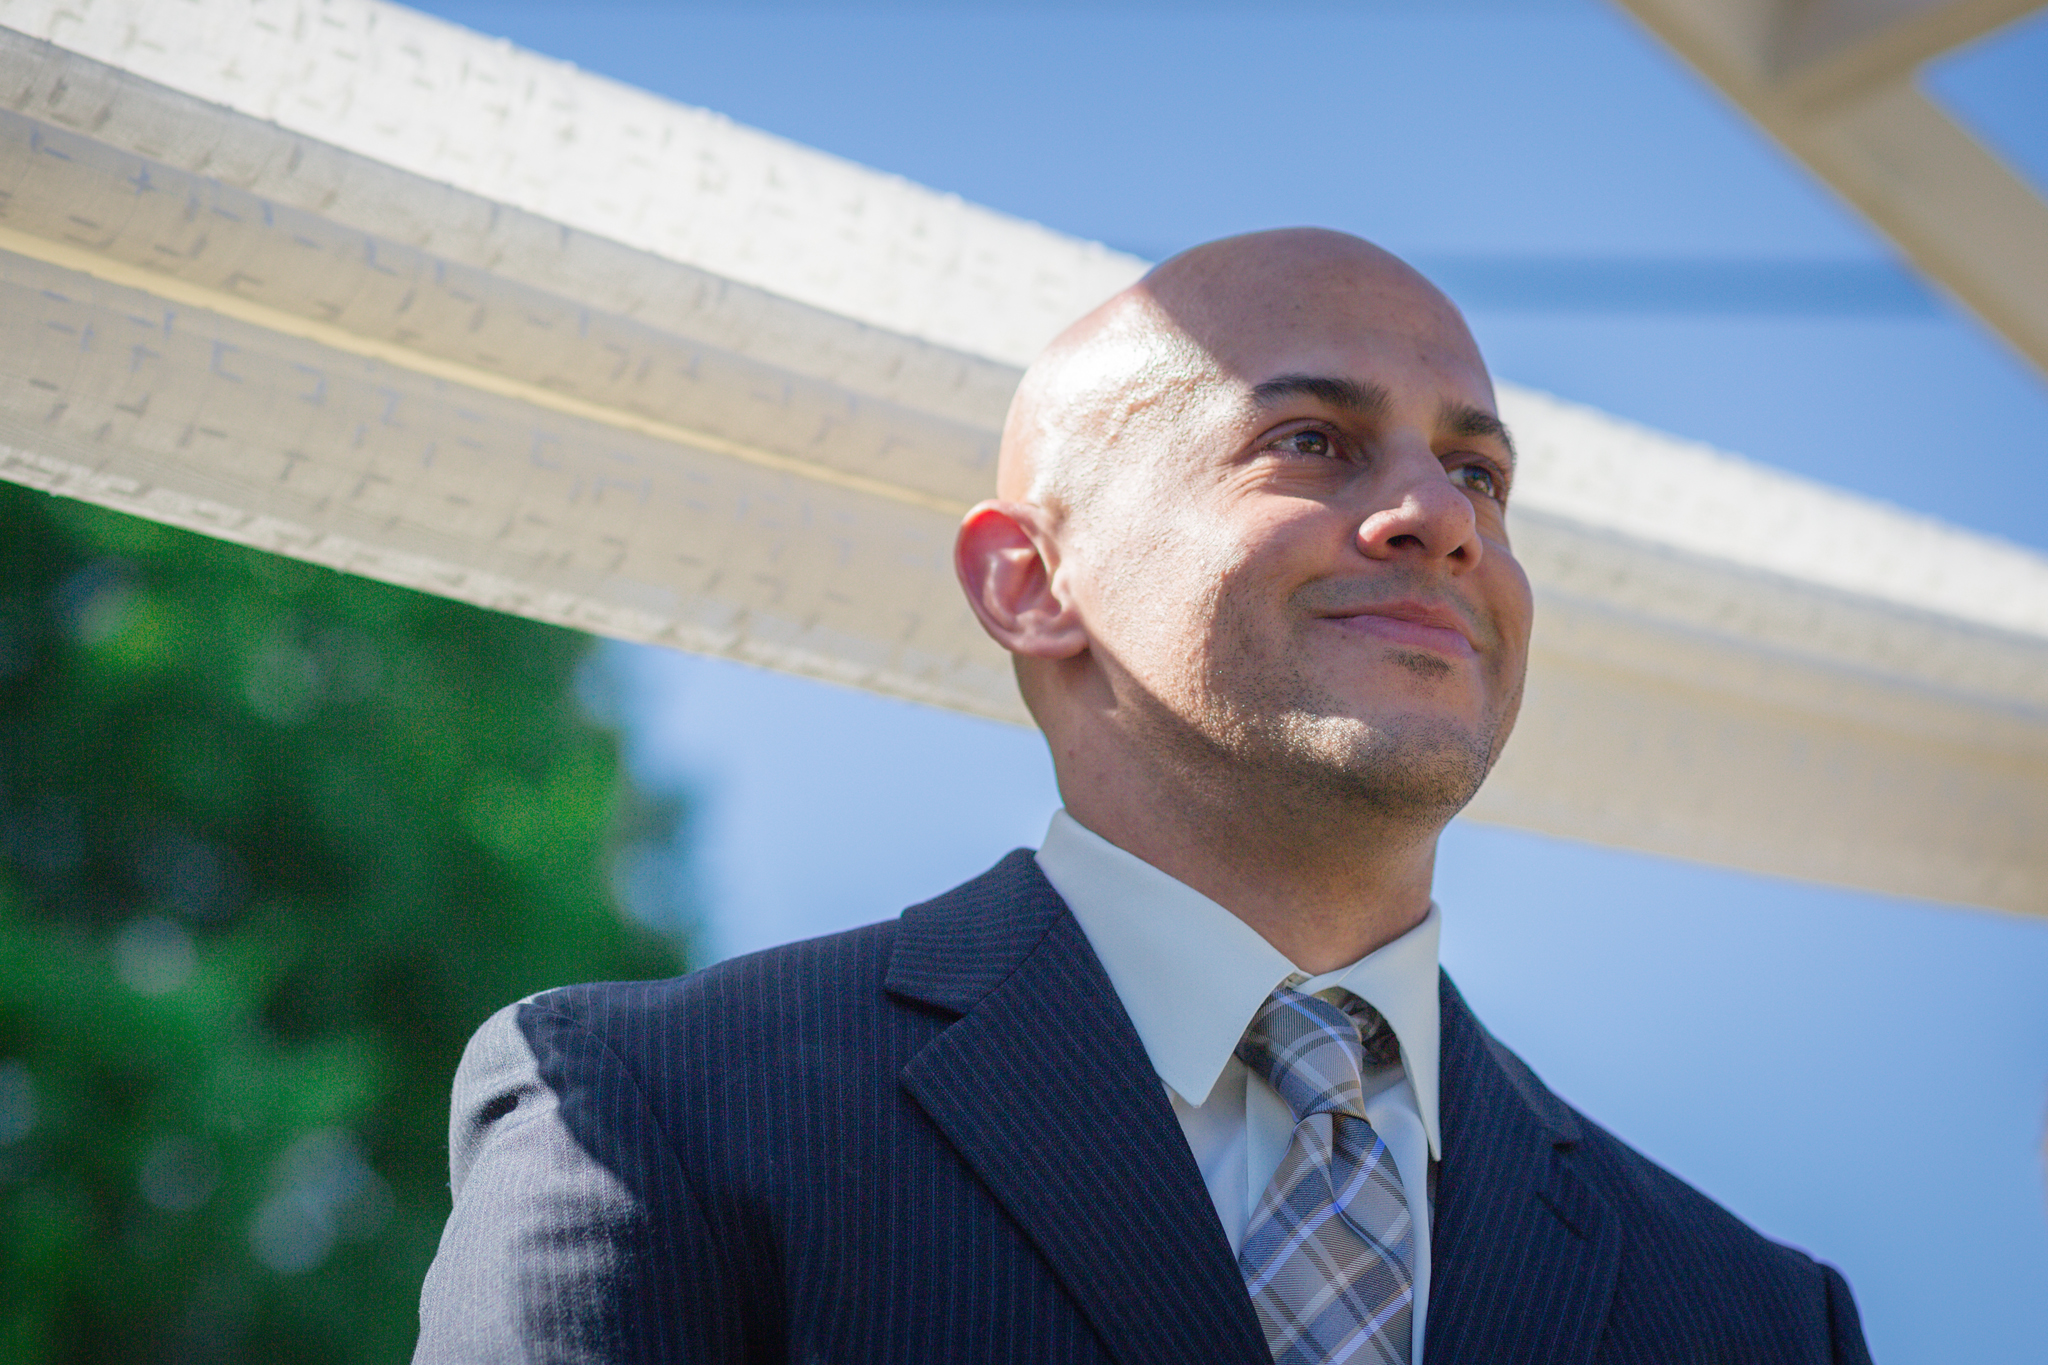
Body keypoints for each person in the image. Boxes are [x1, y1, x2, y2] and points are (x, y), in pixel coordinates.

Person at [413, 229, 1873, 1364]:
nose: (1440, 516)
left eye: (1480, 473)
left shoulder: (1756, 1318)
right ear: (1034, 581)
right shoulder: (655, 1111)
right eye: (1310, 438)